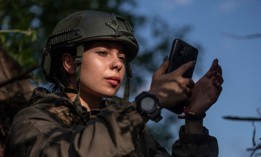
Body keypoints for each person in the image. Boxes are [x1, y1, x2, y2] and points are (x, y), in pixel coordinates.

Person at [4, 10, 223, 157]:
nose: (117, 64)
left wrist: (194, 118)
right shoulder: (32, 121)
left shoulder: (131, 128)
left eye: (121, 57)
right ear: (70, 63)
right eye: (103, 53)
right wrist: (149, 102)